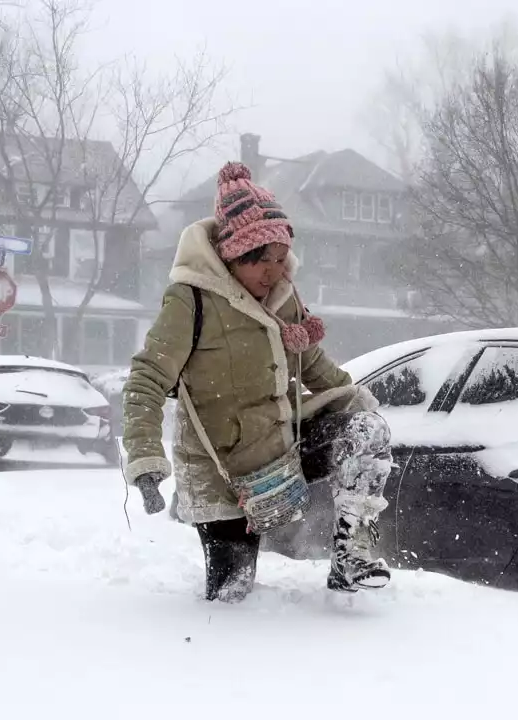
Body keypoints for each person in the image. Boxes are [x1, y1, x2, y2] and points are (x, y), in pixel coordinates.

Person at [121, 161, 394, 603]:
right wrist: (146, 459)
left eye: (280, 257)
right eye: (260, 260)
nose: (273, 271)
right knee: (233, 595)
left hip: (283, 449)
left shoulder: (283, 299)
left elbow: (316, 367)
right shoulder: (190, 299)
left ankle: (353, 555)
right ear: (232, 256)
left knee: (365, 429)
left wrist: (366, 406)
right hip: (222, 471)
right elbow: (147, 379)